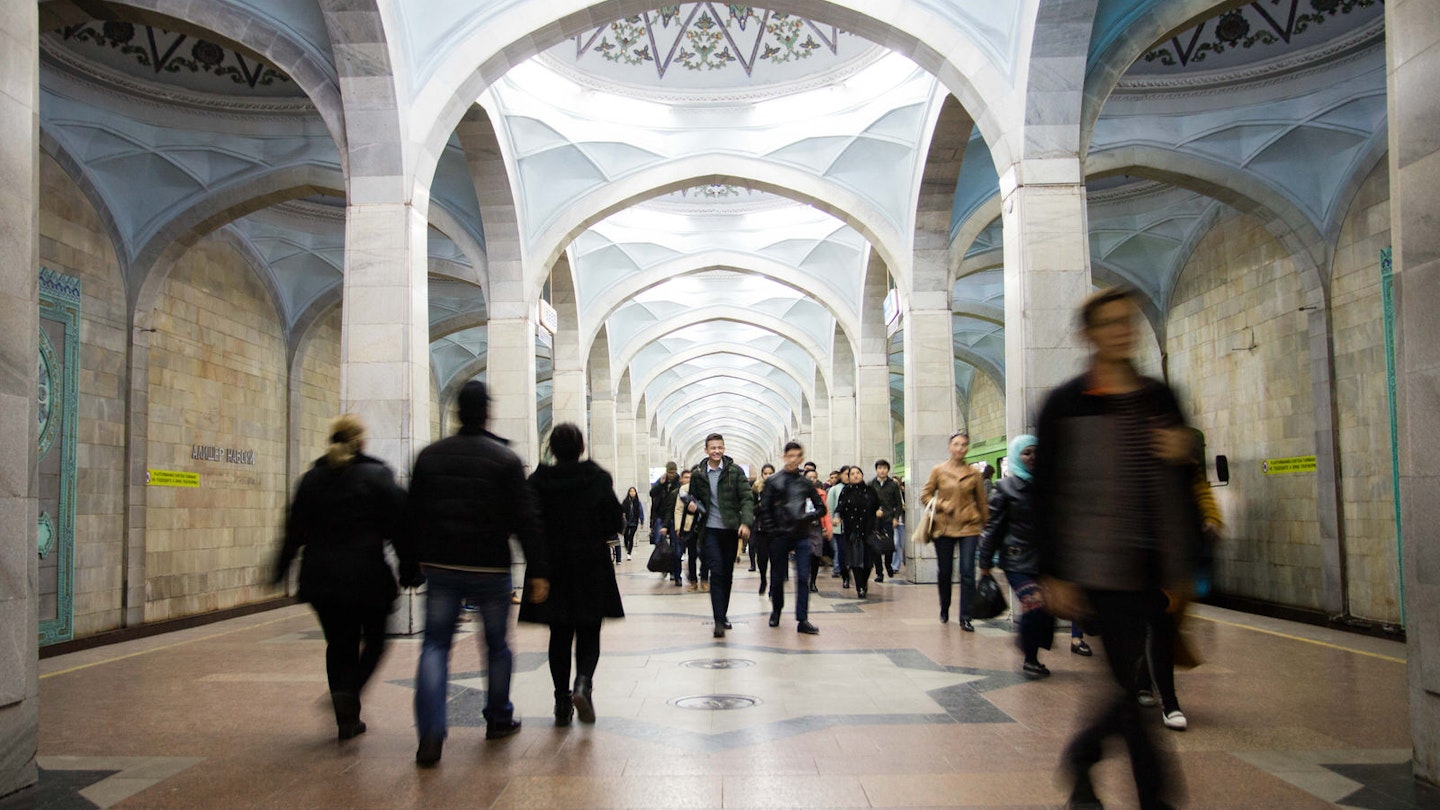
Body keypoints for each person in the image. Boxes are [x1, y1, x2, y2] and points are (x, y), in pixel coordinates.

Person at [1034, 287, 1199, 810]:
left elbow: (1181, 479)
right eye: (1107, 323)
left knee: (1126, 683)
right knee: (1128, 684)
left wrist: (1186, 448)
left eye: (1126, 321)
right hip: (1099, 565)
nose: (1120, 331)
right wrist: (1052, 571)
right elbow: (1047, 493)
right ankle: (1156, 794)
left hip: (1156, 562)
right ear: (1089, 333)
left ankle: (1082, 760)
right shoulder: (1066, 403)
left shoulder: (1159, 397)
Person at [407, 381, 549, 766]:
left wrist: (410, 563)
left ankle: (432, 731)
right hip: (489, 568)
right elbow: (525, 518)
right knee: (497, 645)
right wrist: (537, 569)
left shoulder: (430, 456)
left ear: (456, 412)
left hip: (441, 565)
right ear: (486, 411)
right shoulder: (502, 459)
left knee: (435, 646)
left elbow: (412, 515)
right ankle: (499, 716)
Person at [272, 414, 411, 741]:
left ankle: (346, 720)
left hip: (321, 579)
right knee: (376, 641)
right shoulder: (377, 476)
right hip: (366, 578)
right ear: (361, 442)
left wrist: (280, 567)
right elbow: (401, 526)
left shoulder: (311, 479)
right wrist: (410, 567)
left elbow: (294, 530)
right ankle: (351, 692)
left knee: (339, 645)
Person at [521, 423, 625, 727]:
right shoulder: (596, 478)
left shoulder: (538, 482)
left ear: (551, 448)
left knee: (560, 634)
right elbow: (615, 522)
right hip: (590, 565)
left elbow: (530, 525)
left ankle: (561, 702)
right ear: (582, 447)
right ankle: (583, 684)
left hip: (552, 567)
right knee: (589, 630)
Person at [978, 434, 1065, 678]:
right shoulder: (1005, 488)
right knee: (1034, 603)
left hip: (1044, 560)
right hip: (1017, 560)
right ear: (1017, 456)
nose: (1032, 457)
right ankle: (1030, 658)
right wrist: (984, 562)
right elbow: (993, 528)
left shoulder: (1047, 486)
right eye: (1026, 453)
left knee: (1046, 609)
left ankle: (1031, 649)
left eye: (1035, 452)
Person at [686, 434, 754, 638]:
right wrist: (692, 506)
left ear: (724, 449)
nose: (716, 451)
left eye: (720, 447)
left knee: (727, 574)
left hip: (731, 530)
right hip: (710, 530)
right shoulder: (698, 474)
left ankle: (723, 614)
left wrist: (745, 522)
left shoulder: (735, 471)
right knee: (716, 572)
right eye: (712, 448)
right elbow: (693, 497)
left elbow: (746, 498)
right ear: (706, 450)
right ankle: (718, 620)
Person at [920, 430, 989, 630]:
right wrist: (941, 504)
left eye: (964, 445)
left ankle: (966, 616)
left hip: (969, 526)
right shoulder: (938, 471)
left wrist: (988, 526)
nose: (960, 448)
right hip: (944, 527)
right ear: (950, 447)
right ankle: (945, 607)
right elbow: (925, 496)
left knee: (967, 571)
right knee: (945, 572)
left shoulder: (974, 473)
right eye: (957, 444)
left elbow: (982, 502)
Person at [758, 441, 827, 634]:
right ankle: (776, 611)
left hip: (801, 535)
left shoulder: (805, 483)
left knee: (803, 577)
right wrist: (772, 531)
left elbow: (821, 508)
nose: (793, 460)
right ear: (784, 457)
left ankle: (802, 618)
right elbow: (765, 510)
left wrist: (807, 517)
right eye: (790, 456)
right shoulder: (773, 481)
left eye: (797, 456)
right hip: (779, 535)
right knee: (778, 577)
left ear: (802, 459)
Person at [837, 465, 880, 598]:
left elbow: (877, 505)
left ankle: (864, 581)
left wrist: (879, 511)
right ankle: (859, 587)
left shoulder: (870, 490)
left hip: (868, 529)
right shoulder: (845, 491)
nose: (855, 475)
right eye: (852, 474)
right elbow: (840, 507)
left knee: (868, 561)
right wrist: (837, 517)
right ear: (849, 477)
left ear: (862, 475)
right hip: (852, 531)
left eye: (858, 473)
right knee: (855, 560)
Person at [673, 469, 707, 589]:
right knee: (692, 554)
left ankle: (704, 579)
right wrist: (678, 527)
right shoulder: (684, 491)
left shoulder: (707, 489)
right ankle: (693, 581)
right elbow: (678, 509)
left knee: (705, 554)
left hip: (705, 525)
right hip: (690, 526)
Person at [870, 460, 902, 579]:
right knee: (876, 547)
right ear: (876, 470)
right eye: (879, 468)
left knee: (889, 545)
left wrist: (895, 518)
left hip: (888, 519)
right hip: (875, 520)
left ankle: (888, 565)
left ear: (888, 470)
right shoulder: (871, 484)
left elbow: (898, 503)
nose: (882, 470)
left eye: (884, 468)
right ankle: (879, 573)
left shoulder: (893, 485)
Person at [750, 463, 776, 593]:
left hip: (775, 529)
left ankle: (772, 586)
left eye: (771, 473)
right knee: (762, 558)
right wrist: (760, 506)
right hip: (761, 528)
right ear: (762, 475)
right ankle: (763, 579)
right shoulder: (756, 489)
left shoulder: (779, 488)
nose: (768, 476)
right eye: (766, 473)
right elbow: (752, 508)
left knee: (775, 558)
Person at [827, 465, 848, 585]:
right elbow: (830, 508)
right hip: (838, 526)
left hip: (852, 527)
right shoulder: (834, 490)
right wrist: (831, 522)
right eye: (846, 473)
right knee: (839, 549)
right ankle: (839, 569)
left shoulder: (856, 489)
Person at [619, 486, 644, 563]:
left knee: (631, 536)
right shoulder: (625, 501)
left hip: (634, 522)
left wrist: (642, 520)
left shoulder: (638, 502)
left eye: (633, 491)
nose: (632, 493)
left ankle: (629, 553)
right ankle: (627, 547)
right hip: (627, 522)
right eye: (631, 491)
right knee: (626, 536)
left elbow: (640, 511)